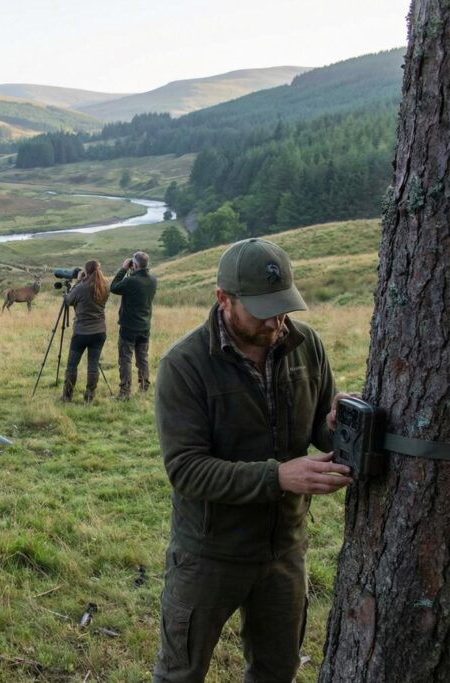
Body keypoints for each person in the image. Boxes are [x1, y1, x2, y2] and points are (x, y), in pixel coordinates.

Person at [152, 238, 353, 682]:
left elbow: (319, 424)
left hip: (285, 547)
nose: (276, 321)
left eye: (283, 306)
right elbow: (186, 469)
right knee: (180, 673)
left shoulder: (306, 345)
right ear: (224, 299)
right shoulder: (184, 366)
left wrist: (338, 426)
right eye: (262, 309)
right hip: (209, 552)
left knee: (276, 671)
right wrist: (279, 476)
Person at [109, 251, 158, 400]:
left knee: (125, 359)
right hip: (144, 326)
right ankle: (144, 386)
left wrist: (124, 269)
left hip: (129, 327)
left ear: (135, 265)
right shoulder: (153, 280)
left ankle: (125, 392)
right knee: (142, 358)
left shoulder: (131, 281)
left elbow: (114, 287)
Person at [62, 260, 109, 402]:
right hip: (99, 331)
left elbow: (68, 301)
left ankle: (67, 395)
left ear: (86, 272)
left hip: (81, 332)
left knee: (72, 365)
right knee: (93, 365)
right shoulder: (105, 286)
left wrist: (78, 282)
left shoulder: (81, 288)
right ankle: (89, 395)